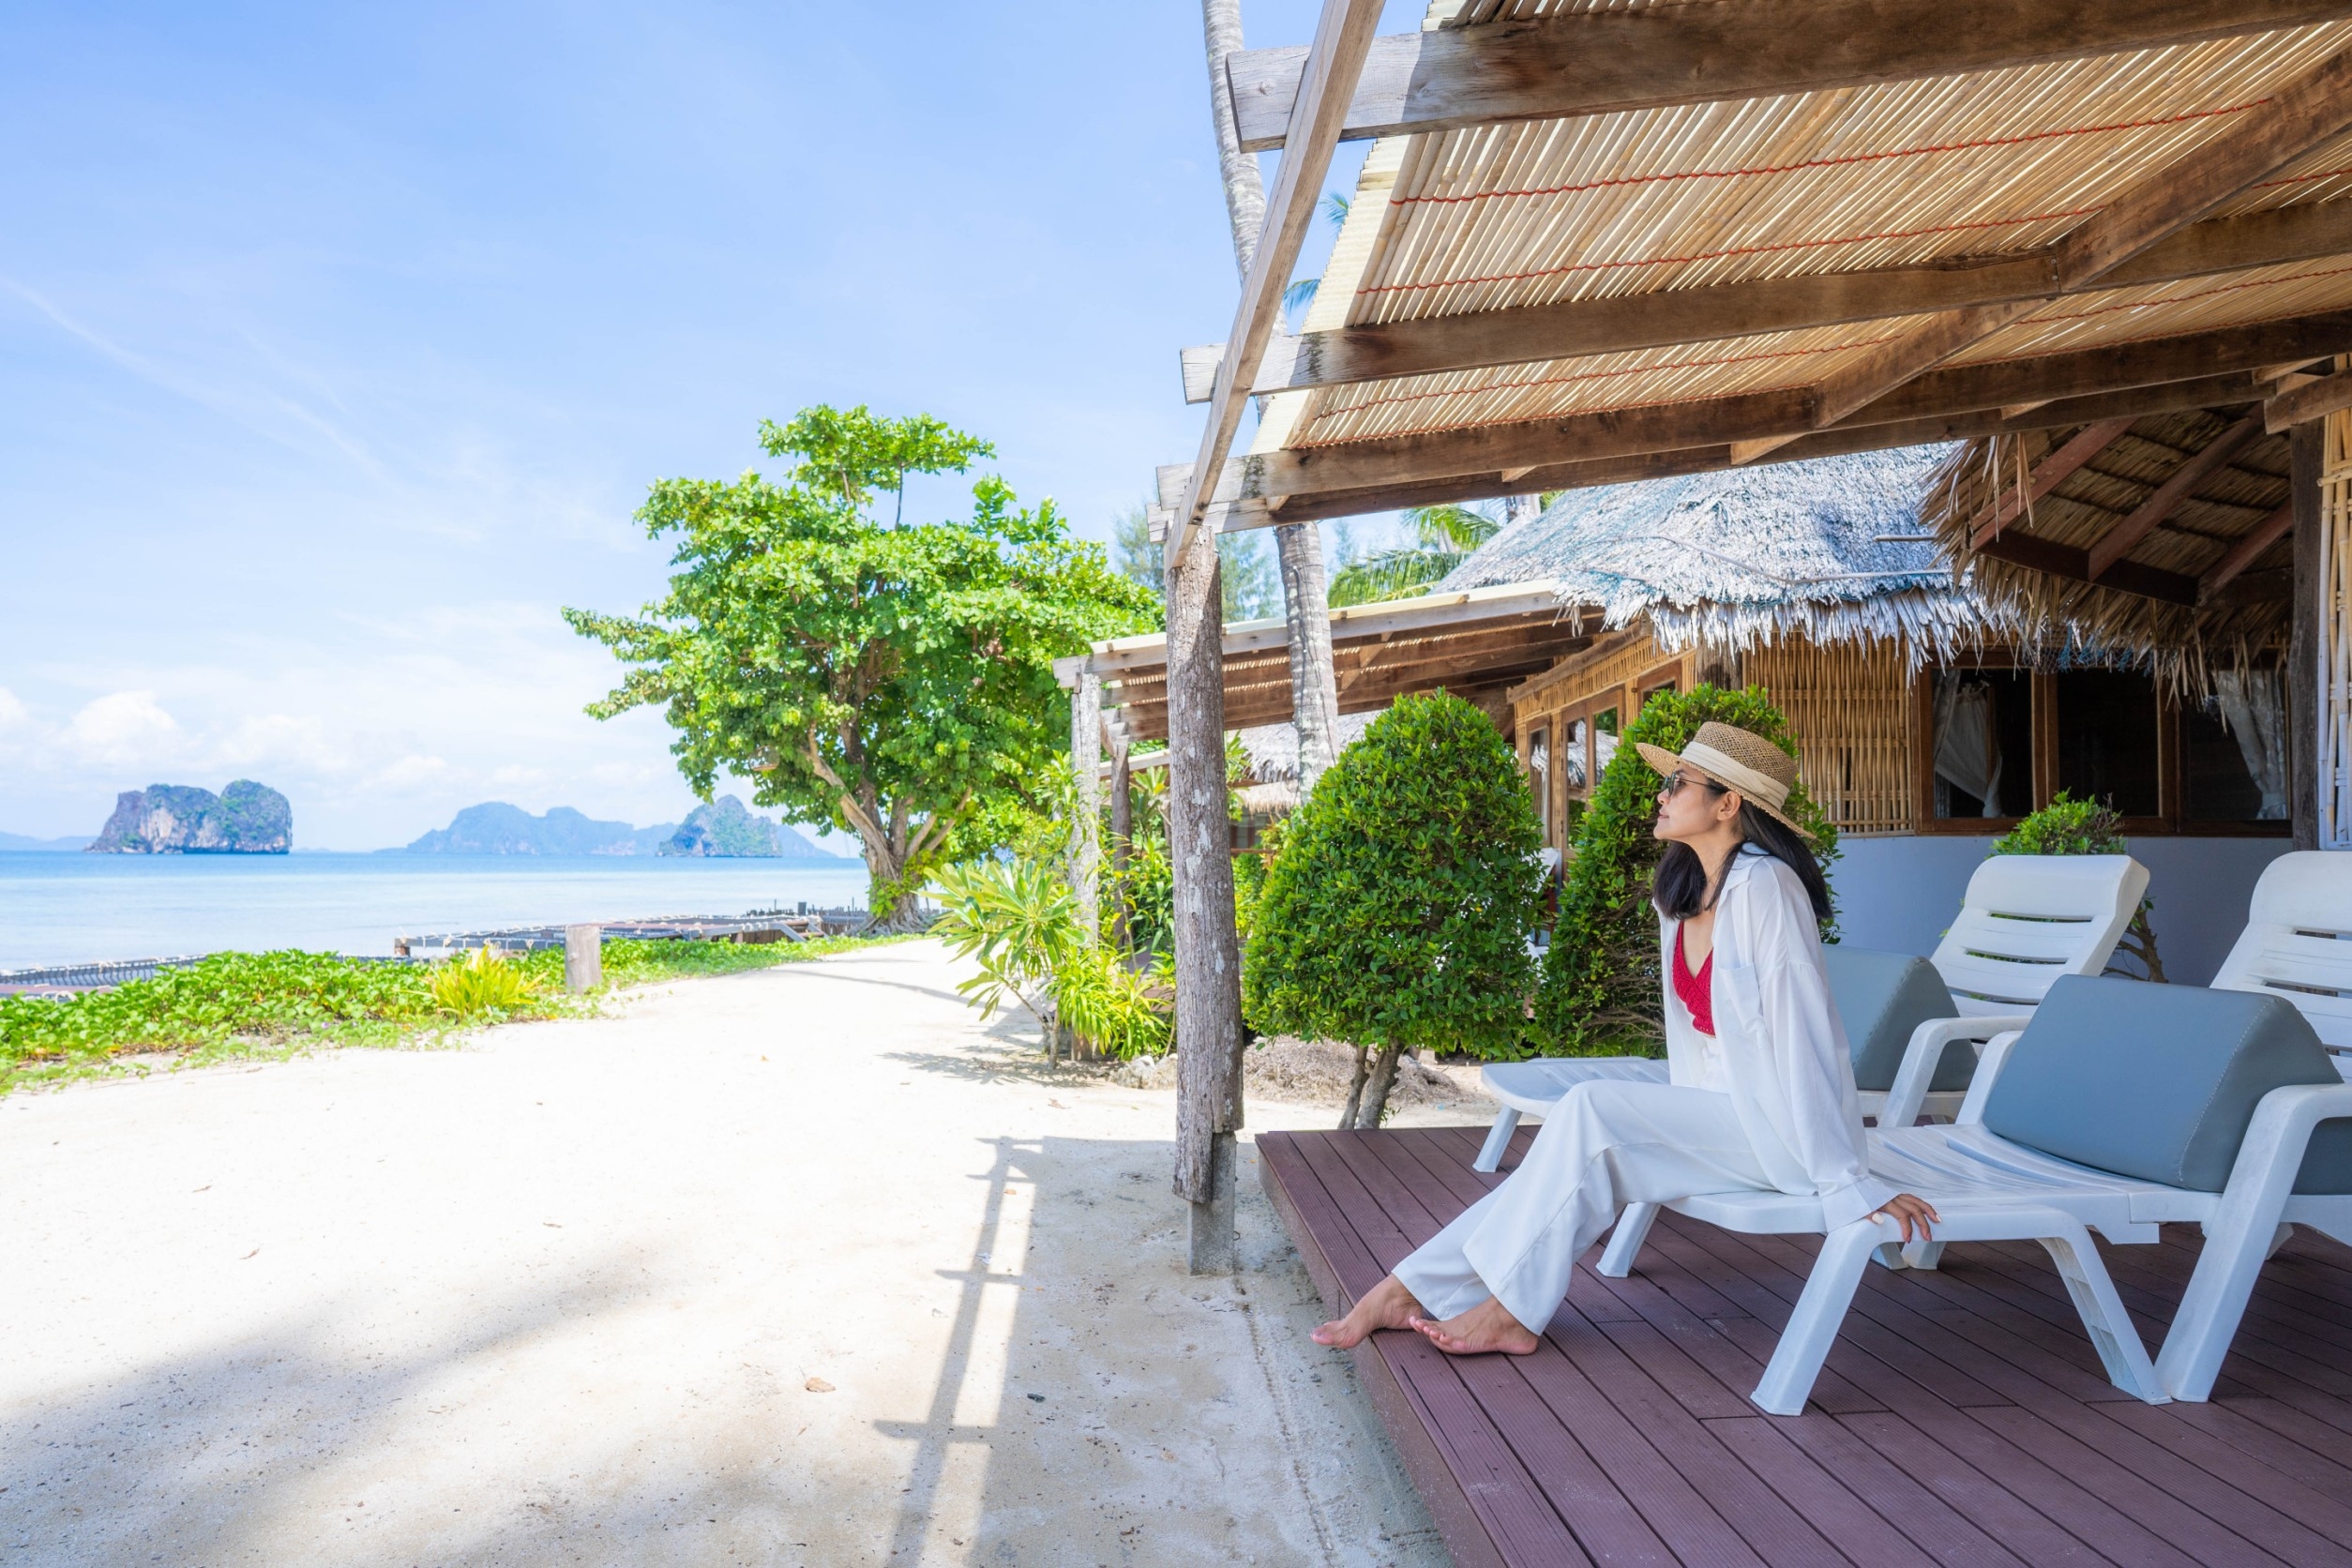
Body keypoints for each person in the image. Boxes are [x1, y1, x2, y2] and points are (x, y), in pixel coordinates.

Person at [1313, 720, 1938, 1356]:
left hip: (1779, 1129)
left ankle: (1496, 1308)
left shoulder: (1767, 889)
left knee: (1590, 1109)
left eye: (1678, 783)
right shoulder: (1684, 891)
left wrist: (1844, 1179)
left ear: (1728, 805)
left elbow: (1805, 1039)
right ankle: (1413, 1287)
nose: (1660, 796)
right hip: (1717, 1111)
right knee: (1570, 1147)